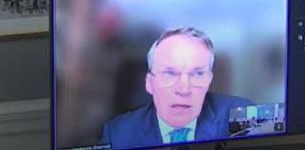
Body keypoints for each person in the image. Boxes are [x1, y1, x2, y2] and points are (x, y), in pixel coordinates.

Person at [100, 28, 252, 148]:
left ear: (209, 81)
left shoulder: (241, 116)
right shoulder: (119, 134)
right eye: (170, 74)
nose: (184, 89)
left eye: (197, 74)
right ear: (149, 83)